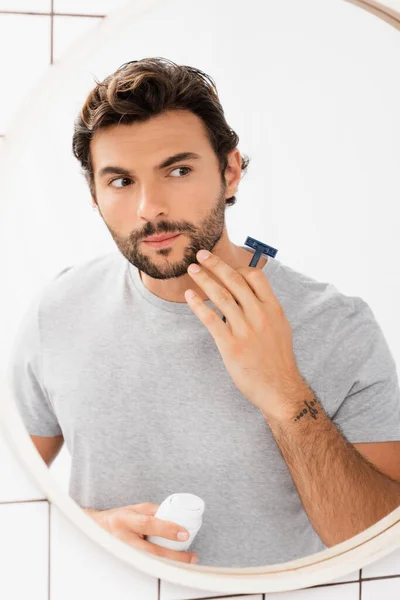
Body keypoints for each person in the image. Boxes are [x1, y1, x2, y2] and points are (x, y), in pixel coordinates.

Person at [6, 57, 400, 568]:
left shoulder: (338, 326)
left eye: (178, 170)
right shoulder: (58, 310)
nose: (150, 207)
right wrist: (96, 531)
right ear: (94, 195)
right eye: (121, 181)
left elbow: (376, 543)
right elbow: (12, 501)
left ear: (229, 172)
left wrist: (283, 391)